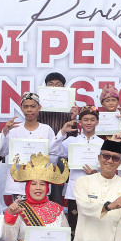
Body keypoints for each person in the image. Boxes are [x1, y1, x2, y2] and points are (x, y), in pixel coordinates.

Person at [49, 105, 103, 232]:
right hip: (75, 192)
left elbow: (107, 166)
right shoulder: (72, 141)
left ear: (97, 122)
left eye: (92, 119)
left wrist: (96, 172)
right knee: (75, 228)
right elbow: (52, 151)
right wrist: (62, 132)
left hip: (96, 190)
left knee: (94, 229)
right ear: (79, 122)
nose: (89, 122)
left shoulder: (102, 143)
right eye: (85, 119)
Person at [0, 92, 56, 200]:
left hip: (40, 182)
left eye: (33, 106)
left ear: (39, 108)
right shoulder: (14, 129)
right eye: (26, 107)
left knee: (38, 216)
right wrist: (6, 132)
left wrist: (42, 164)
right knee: (20, 215)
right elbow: (2, 152)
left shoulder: (46, 129)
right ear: (21, 108)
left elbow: (54, 155)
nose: (29, 110)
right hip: (18, 184)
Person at [36, 72, 79, 204]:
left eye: (58, 85)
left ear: (64, 88)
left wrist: (74, 118)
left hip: (60, 154)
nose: (54, 87)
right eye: (51, 84)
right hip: (41, 152)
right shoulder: (38, 107)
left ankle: (55, 210)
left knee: (58, 175)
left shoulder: (69, 108)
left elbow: (73, 136)